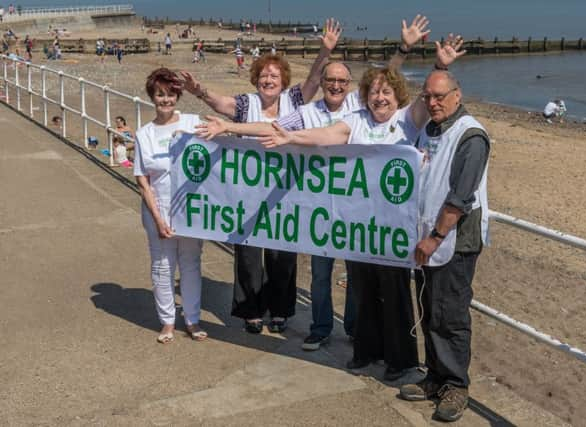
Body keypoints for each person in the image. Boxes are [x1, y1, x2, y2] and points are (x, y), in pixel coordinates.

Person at [256, 31, 465, 382]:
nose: (379, 97)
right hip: (359, 228)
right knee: (364, 292)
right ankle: (366, 352)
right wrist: (290, 137)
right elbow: (326, 136)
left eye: (386, 92)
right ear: (364, 96)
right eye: (373, 92)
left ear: (396, 95)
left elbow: (426, 99)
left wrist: (439, 64)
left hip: (395, 228)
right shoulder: (356, 121)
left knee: (395, 296)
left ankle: (401, 362)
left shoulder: (406, 120)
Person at [179, 18, 343, 335]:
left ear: (283, 80)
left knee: (283, 254)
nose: (269, 79)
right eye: (264, 75)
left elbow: (312, 80)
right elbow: (220, 103)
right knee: (249, 254)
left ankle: (280, 310)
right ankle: (251, 311)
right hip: (249, 194)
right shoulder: (245, 104)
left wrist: (325, 51)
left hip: (286, 192)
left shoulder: (294, 102)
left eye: (274, 75)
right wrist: (198, 90)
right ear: (256, 79)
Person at [196, 61, 363, 348]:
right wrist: (226, 125)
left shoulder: (356, 110)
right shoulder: (305, 112)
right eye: (330, 80)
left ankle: (351, 328)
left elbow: (386, 85)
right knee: (314, 272)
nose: (336, 85)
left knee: (293, 258)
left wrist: (404, 50)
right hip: (276, 194)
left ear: (349, 85)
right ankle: (312, 325)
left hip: (331, 201)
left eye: (342, 81)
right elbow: (269, 127)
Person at [398, 70, 490, 422]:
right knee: (429, 308)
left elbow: (460, 197)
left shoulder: (471, 135)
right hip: (426, 237)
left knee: (450, 314)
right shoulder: (430, 129)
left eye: (439, 96)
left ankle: (455, 385)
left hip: (455, 239)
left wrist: (435, 237)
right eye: (427, 97)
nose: (433, 102)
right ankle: (434, 377)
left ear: (456, 94)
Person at [133, 68, 206, 343]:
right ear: (152, 96)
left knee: (190, 263)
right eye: (160, 94)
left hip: (190, 208)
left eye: (171, 94)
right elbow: (143, 180)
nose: (166, 100)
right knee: (163, 266)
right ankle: (167, 322)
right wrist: (158, 219)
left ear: (178, 95)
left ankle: (192, 318)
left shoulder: (191, 122)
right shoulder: (145, 134)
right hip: (158, 208)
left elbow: (213, 155)